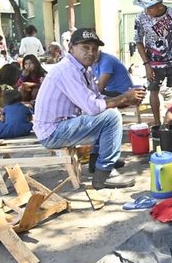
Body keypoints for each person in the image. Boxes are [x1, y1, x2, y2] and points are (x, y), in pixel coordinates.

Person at [34, 28, 146, 189]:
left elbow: (97, 99)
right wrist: (124, 97)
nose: (91, 52)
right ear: (71, 48)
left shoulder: (83, 69)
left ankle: (97, 162)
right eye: (85, 47)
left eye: (94, 49)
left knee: (108, 115)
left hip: (63, 126)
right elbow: (92, 107)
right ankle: (105, 173)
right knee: (111, 117)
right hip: (52, 132)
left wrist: (127, 100)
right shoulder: (67, 70)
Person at [133, 0, 172, 129]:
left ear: (159, 6)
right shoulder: (140, 18)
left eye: (149, 7)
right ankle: (156, 124)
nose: (146, 11)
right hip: (153, 61)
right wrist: (146, 65)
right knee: (154, 90)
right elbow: (138, 41)